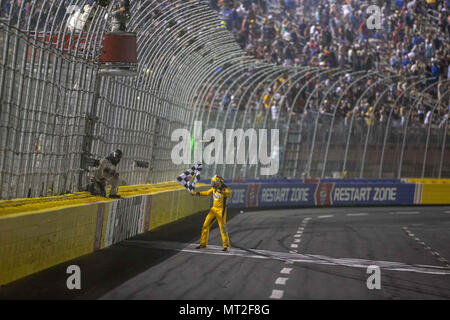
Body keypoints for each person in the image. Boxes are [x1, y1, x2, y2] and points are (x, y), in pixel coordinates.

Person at [191, 175, 231, 252]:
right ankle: (203, 243)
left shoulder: (225, 189)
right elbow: (206, 193)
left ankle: (226, 245)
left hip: (221, 211)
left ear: (218, 183)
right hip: (213, 210)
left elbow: (228, 194)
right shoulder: (214, 189)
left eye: (214, 182)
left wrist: (221, 191)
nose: (212, 184)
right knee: (205, 225)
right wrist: (197, 193)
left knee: (222, 228)